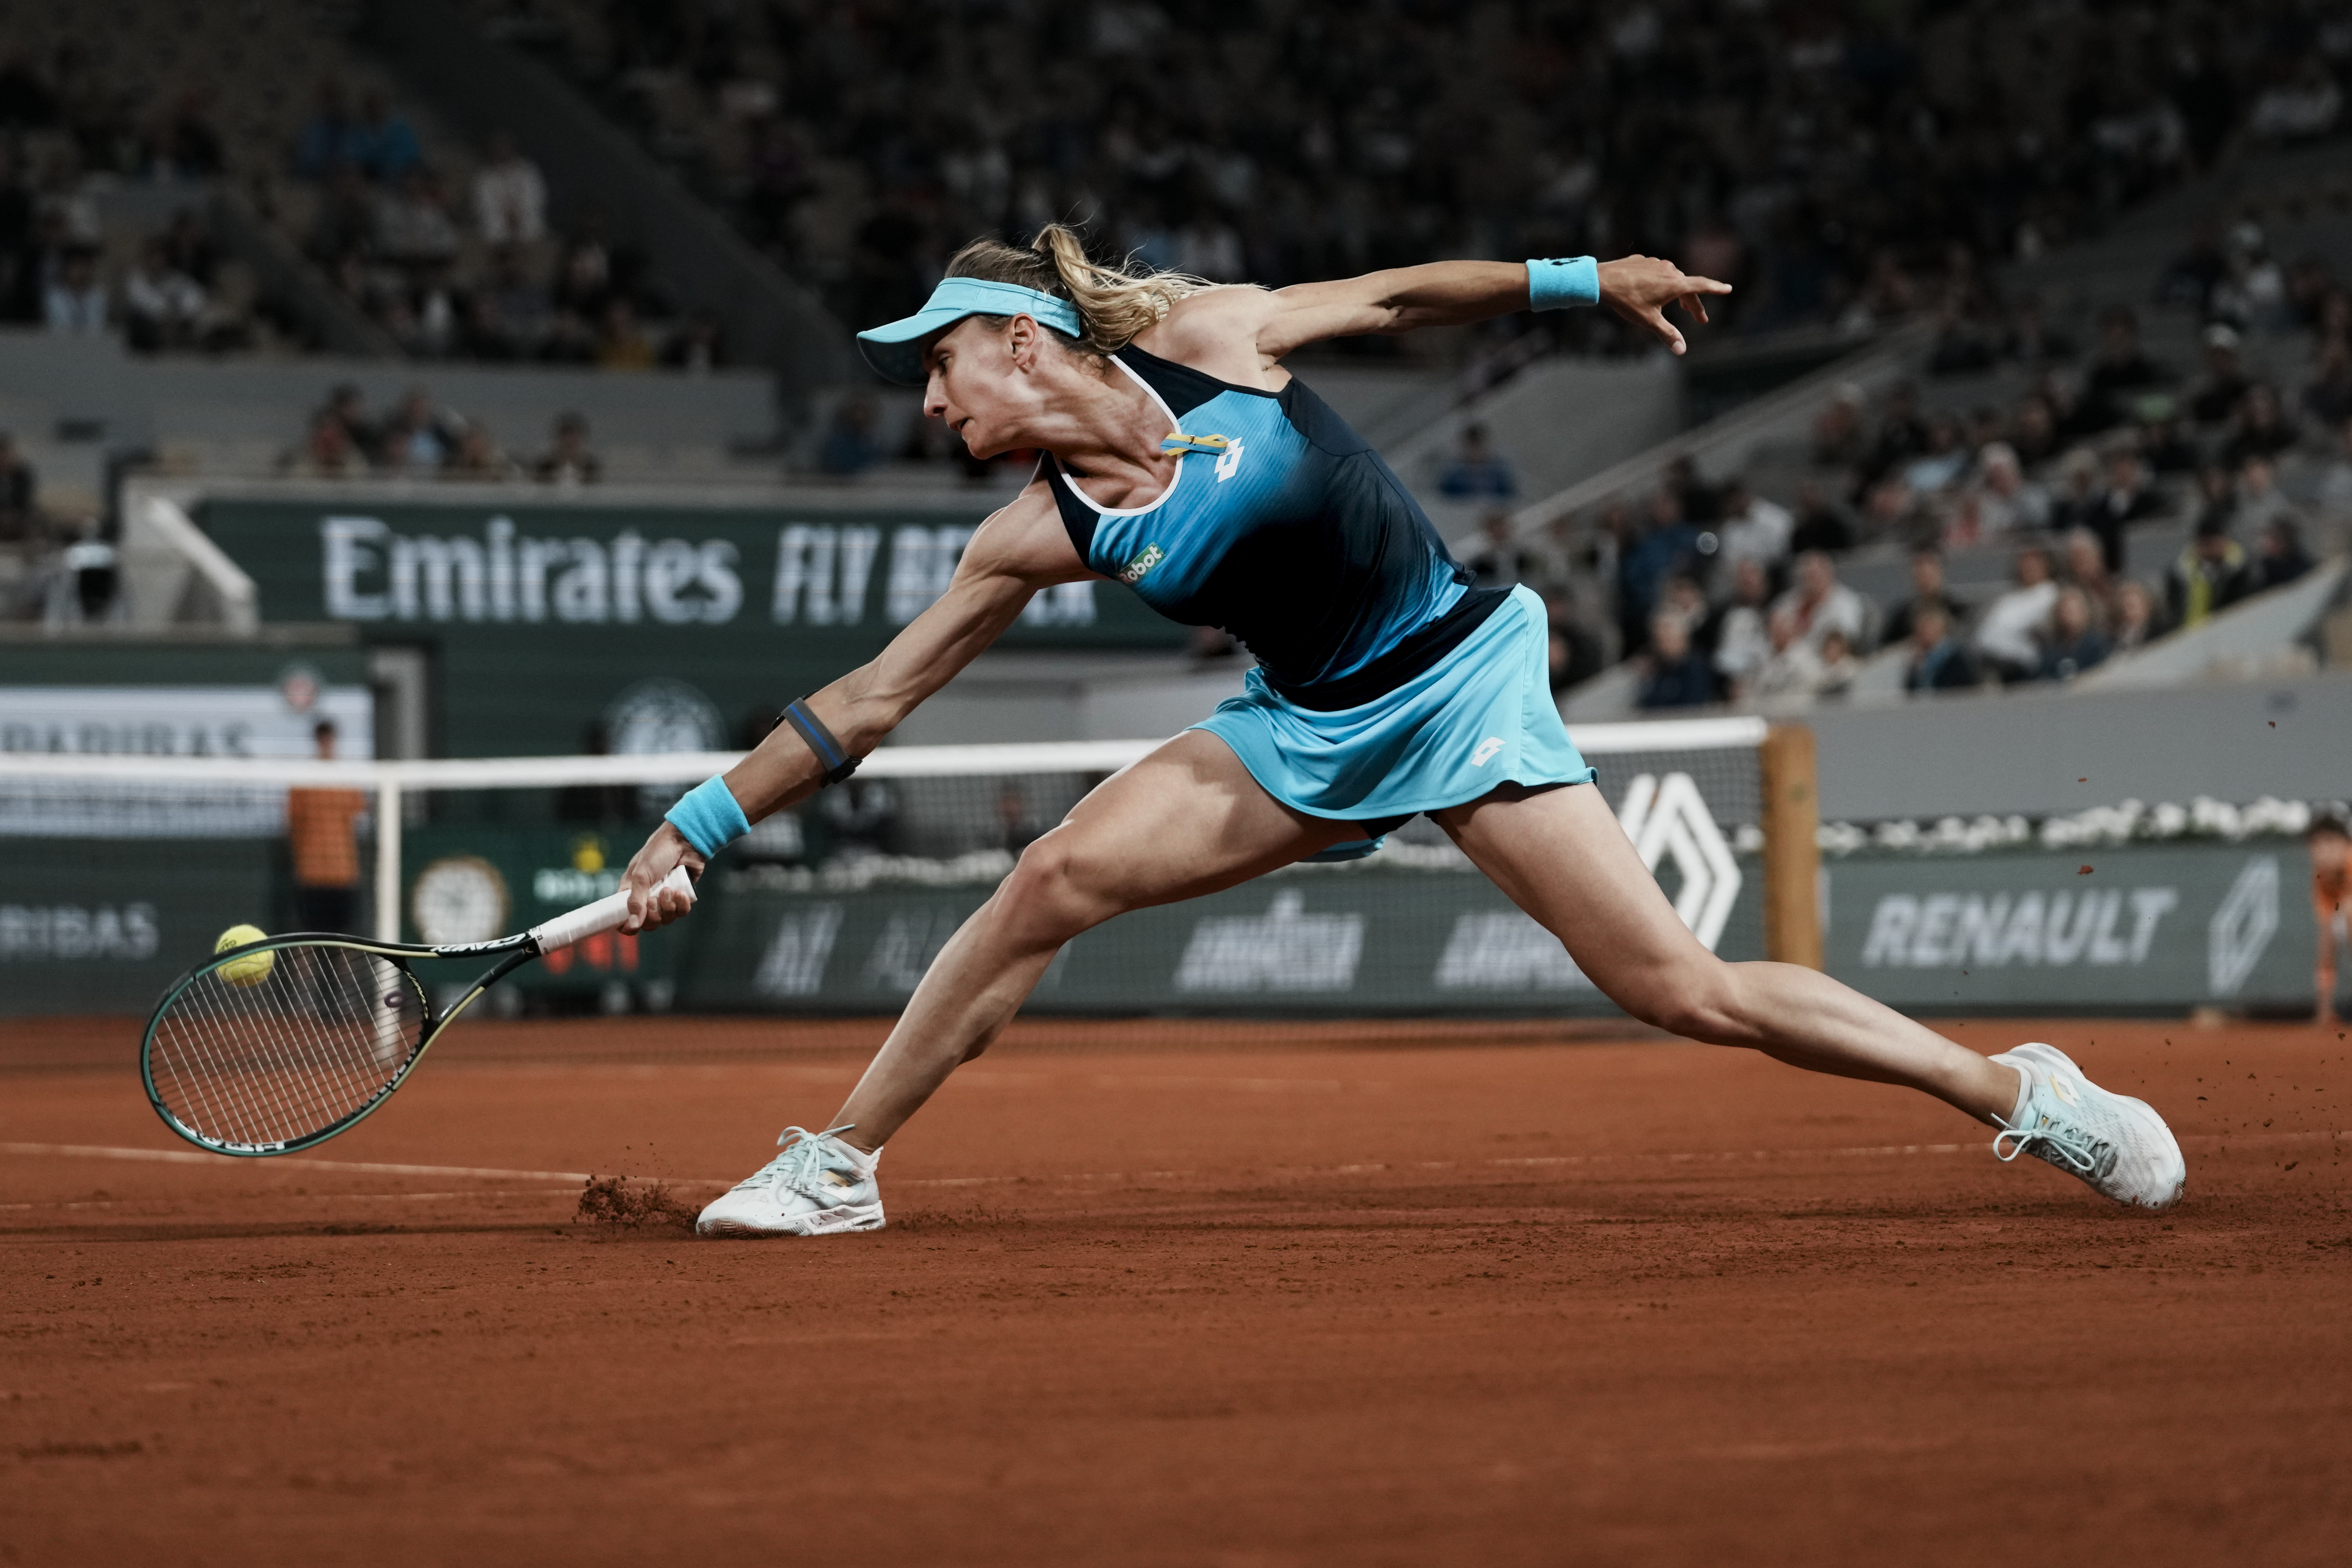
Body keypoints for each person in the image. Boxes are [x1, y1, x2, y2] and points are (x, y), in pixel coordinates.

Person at [614, 227, 2184, 1237]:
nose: (927, 399)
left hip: (1456, 686)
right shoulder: (1034, 534)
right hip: (1298, 732)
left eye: (939, 362)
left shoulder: (1215, 341)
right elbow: (873, 698)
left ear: (1022, 340)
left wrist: (1584, 283)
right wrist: (699, 820)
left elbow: (1400, 296)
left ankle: (2018, 1094)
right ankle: (841, 1163)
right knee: (1044, 880)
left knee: (1680, 988)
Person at [286, 720, 367, 934]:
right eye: (323, 740)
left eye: (329, 739)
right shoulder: (303, 781)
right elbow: (293, 824)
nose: (326, 744)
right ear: (317, 741)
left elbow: (358, 815)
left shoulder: (348, 780)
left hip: (343, 872)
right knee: (308, 936)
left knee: (345, 936)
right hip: (311, 873)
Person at [1973, 544, 2061, 684]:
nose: (2028, 569)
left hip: (2025, 665)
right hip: (1989, 660)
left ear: (2046, 566)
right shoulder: (2009, 599)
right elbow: (1986, 631)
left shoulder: (2051, 594)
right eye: (2025, 564)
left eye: (2034, 564)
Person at [2164, 514, 2256, 629]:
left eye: (2217, 541)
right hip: (2190, 632)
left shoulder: (2242, 569)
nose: (2214, 548)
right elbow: (2175, 610)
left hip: (2231, 628)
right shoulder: (2180, 573)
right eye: (2208, 544)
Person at [1881, 548, 1965, 648]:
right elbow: (1886, 648)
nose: (1925, 578)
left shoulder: (1958, 610)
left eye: (1930, 573)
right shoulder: (1901, 616)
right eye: (1921, 573)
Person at [2311, 814, 2351, 1028]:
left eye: (2329, 842)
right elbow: (2326, 919)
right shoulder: (2320, 876)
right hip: (2345, 919)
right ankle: (2324, 1013)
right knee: (2326, 940)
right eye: (2317, 844)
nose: (2322, 851)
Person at [1635, 613, 1714, 708]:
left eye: (1668, 639)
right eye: (1659, 640)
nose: (1663, 645)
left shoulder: (1696, 670)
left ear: (1683, 638)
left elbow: (1692, 706)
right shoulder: (1658, 669)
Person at [1901, 601, 1980, 693]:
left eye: (1929, 627)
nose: (1924, 633)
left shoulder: (1955, 658)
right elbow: (1911, 690)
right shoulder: (1920, 659)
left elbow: (1953, 688)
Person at [2036, 586, 2108, 681]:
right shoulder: (2052, 649)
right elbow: (2043, 678)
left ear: (2084, 611)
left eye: (2074, 610)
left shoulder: (2097, 644)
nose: (2070, 615)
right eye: (2066, 611)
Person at [1436, 423, 1515, 500]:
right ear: (1464, 447)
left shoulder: (1499, 471)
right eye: (1472, 447)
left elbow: (1510, 497)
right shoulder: (1453, 475)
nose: (1475, 451)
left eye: (1479, 447)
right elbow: (1442, 499)